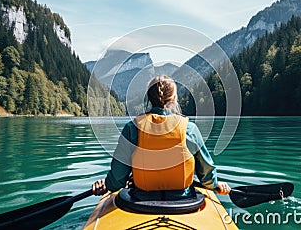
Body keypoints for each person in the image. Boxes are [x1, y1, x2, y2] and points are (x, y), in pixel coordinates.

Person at [92, 75, 230, 199]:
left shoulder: (132, 128)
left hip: (140, 200)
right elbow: (207, 178)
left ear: (149, 98)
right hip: (183, 200)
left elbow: (117, 180)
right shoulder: (189, 129)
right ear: (174, 99)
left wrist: (107, 184)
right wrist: (215, 185)